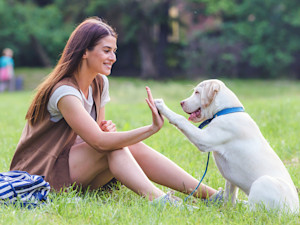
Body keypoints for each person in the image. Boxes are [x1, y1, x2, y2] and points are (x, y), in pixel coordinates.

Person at [10, 17, 219, 203]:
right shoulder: (64, 92)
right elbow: (99, 142)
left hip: (74, 167)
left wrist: (106, 131)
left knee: (124, 145)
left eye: (114, 51)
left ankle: (213, 196)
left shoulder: (99, 83)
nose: (113, 58)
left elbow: (99, 134)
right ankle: (160, 200)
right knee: (114, 146)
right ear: (84, 51)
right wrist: (151, 128)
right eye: (106, 50)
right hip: (41, 174)